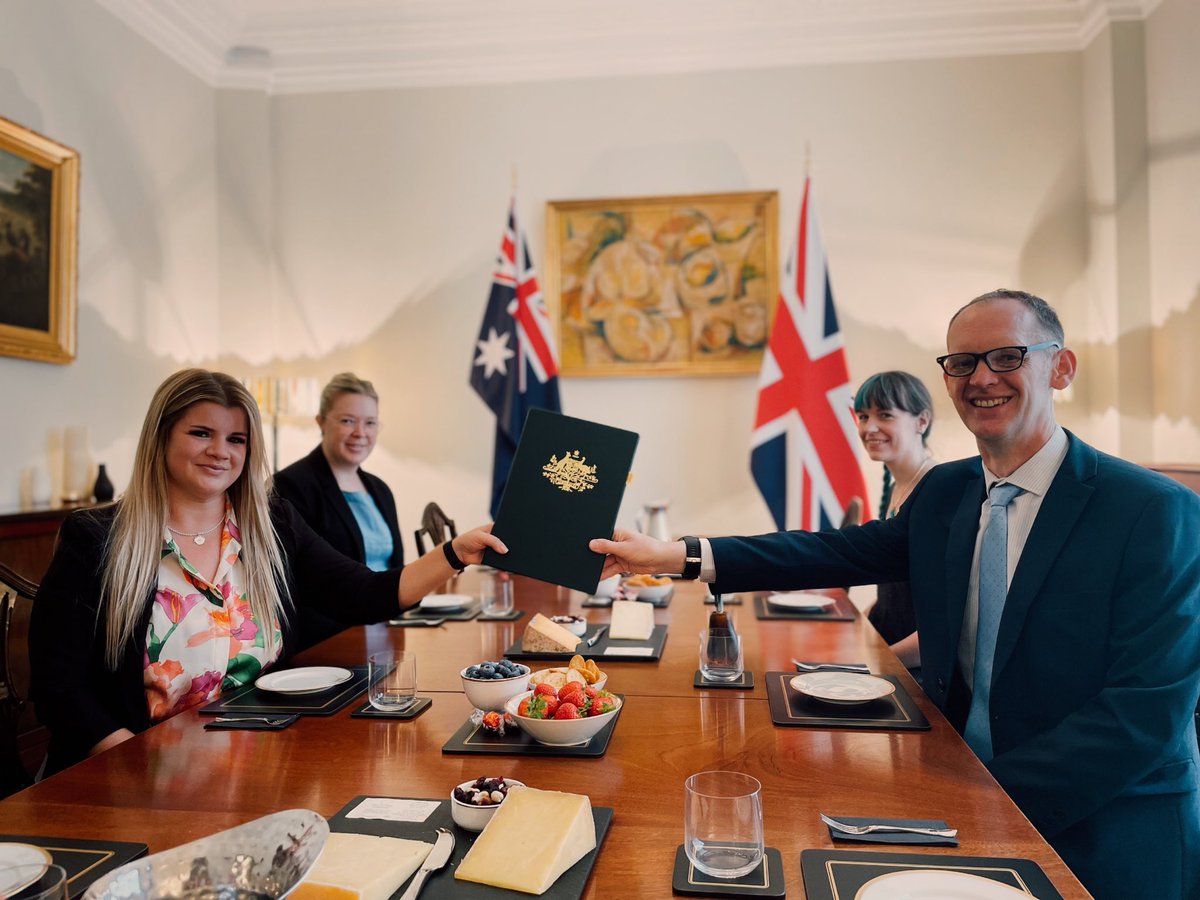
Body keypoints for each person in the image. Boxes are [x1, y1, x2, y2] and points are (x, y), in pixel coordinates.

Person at [591, 290, 1200, 900]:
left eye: (1006, 357)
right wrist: (672, 555)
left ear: (1060, 367)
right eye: (962, 362)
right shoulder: (947, 491)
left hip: (1106, 829)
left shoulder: (1153, 511)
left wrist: (978, 798)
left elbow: (1143, 714)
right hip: (955, 787)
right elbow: (833, 552)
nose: (981, 378)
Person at [29, 369, 504, 776]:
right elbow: (58, 688)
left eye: (236, 439)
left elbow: (365, 593)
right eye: (201, 434)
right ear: (162, 436)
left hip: (258, 766)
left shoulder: (272, 523)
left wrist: (455, 553)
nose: (221, 451)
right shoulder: (96, 538)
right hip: (130, 777)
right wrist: (136, 766)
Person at [273, 373, 401, 648]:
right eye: (347, 421)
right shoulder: (290, 486)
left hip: (387, 632)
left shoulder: (380, 489)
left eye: (370, 423)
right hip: (329, 642)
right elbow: (299, 586)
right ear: (321, 421)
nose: (360, 433)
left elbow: (394, 569)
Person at [854, 371, 934, 669]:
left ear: (921, 421)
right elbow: (895, 595)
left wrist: (873, 662)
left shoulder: (936, 492)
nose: (869, 428)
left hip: (917, 670)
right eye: (863, 417)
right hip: (890, 652)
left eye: (885, 415)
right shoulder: (895, 488)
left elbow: (945, 627)